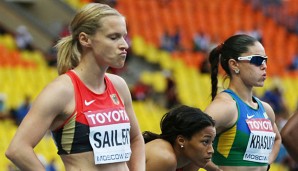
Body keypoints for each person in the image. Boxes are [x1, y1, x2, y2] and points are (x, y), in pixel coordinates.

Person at [6, 3, 145, 171]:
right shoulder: (61, 91)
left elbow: (136, 138)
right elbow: (17, 149)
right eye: (114, 37)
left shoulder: (119, 86)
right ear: (85, 39)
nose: (124, 45)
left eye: (124, 36)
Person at [204, 34, 281, 171]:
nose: (264, 66)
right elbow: (190, 142)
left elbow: (277, 140)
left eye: (265, 60)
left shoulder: (266, 109)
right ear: (234, 64)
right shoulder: (225, 107)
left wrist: (266, 164)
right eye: (257, 60)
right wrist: (215, 169)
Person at [143, 105, 216, 171]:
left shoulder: (191, 160)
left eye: (212, 142)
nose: (211, 150)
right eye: (206, 142)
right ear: (181, 140)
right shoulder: (165, 158)